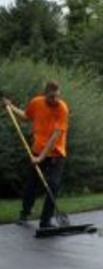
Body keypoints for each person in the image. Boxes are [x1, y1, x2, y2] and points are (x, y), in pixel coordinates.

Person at [2, 81, 69, 228]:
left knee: (53, 184)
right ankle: (24, 214)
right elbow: (26, 117)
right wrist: (10, 107)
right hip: (37, 151)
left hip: (56, 153)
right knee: (31, 184)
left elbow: (55, 136)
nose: (55, 100)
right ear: (45, 94)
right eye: (52, 97)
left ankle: (45, 221)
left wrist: (41, 157)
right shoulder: (36, 103)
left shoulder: (62, 108)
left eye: (57, 96)